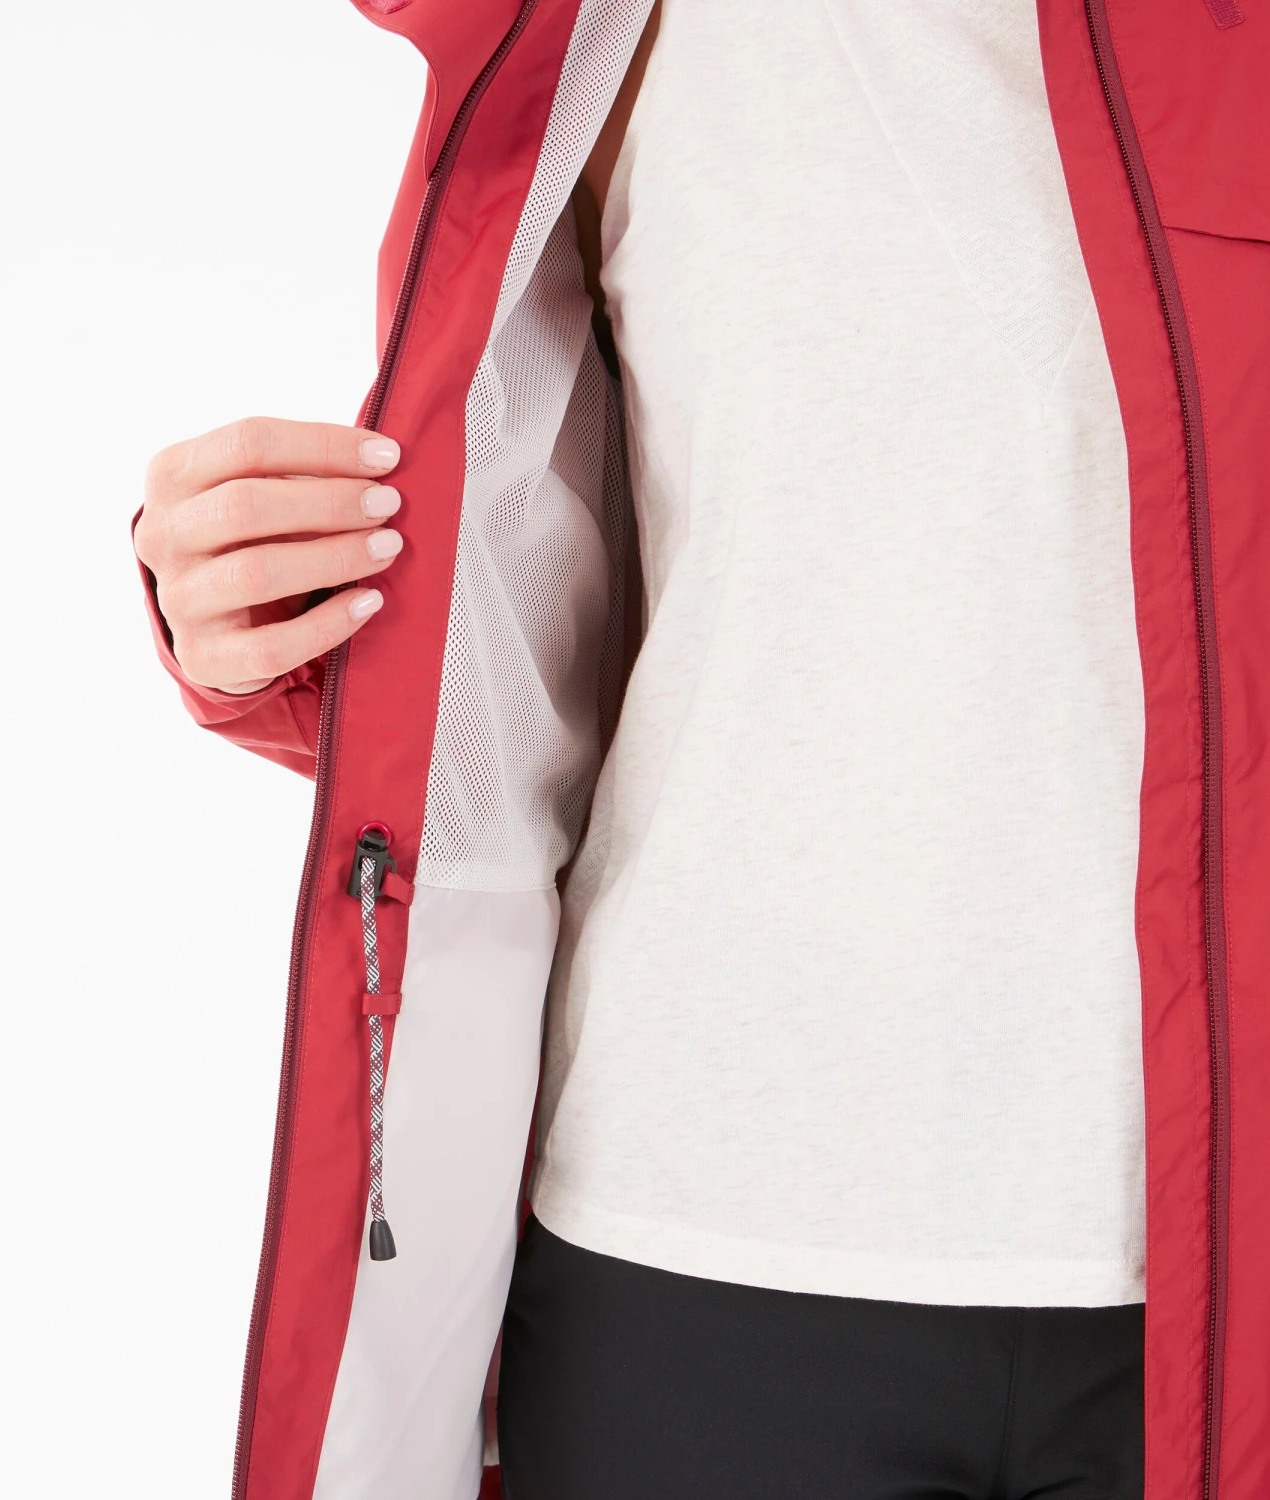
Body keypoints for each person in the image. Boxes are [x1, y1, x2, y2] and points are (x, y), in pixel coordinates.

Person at [132, 2, 1270, 1497]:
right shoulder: (605, 26)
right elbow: (547, 621)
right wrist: (276, 613)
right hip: (693, 1233)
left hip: (1208, 1255)